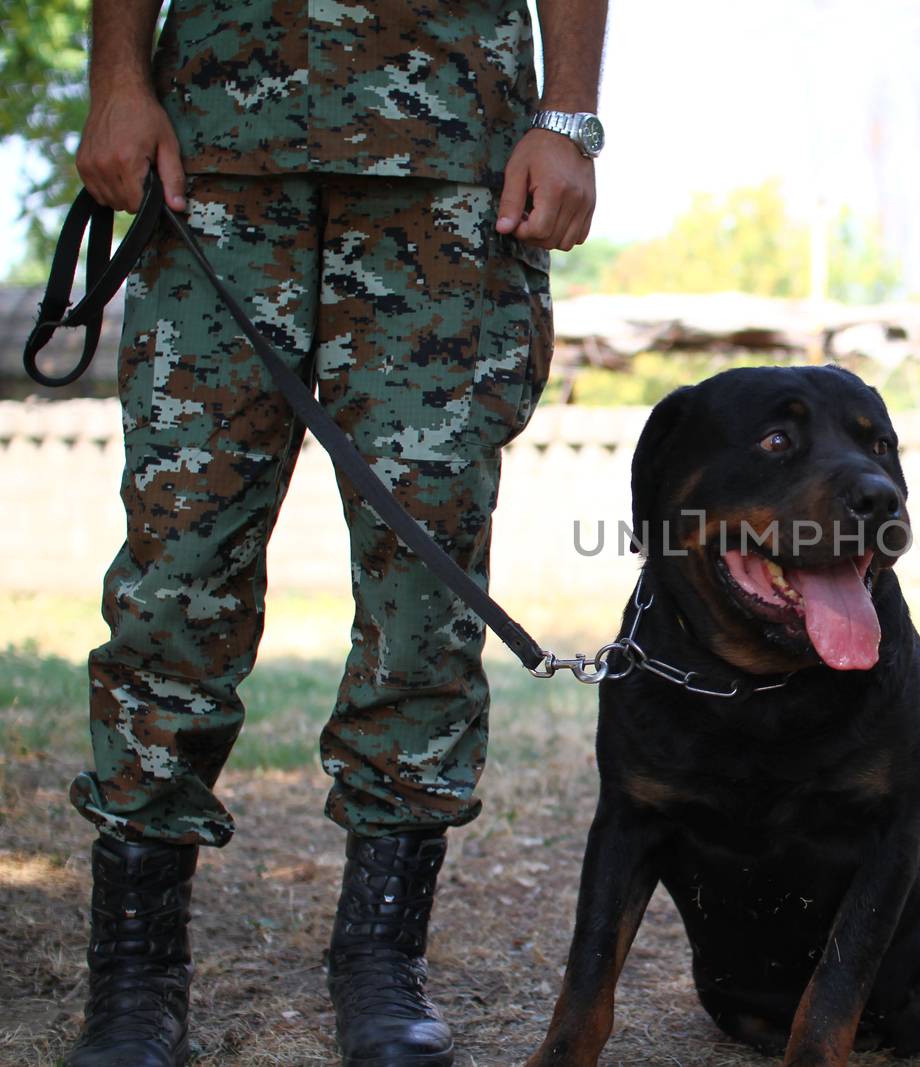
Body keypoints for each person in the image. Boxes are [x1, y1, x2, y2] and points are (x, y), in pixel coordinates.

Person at [65, 2, 607, 1065]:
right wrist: (117, 83)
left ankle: (379, 956)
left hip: (456, 157)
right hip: (213, 149)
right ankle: (134, 970)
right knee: (176, 570)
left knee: (427, 582)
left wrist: (572, 117)